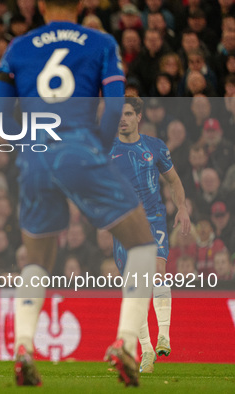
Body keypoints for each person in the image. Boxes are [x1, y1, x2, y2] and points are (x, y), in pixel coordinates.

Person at [0, 0, 159, 387]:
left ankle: (22, 345)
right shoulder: (100, 43)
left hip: (35, 155)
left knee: (37, 257)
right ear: (81, 4)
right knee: (142, 244)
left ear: (40, 5)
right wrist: (97, 147)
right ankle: (126, 343)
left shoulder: (18, 48)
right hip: (79, 147)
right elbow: (115, 105)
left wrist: (28, 148)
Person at [109, 95, 191, 374]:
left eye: (128, 114)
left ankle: (164, 334)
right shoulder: (107, 148)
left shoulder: (154, 147)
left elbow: (174, 180)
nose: (123, 119)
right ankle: (145, 352)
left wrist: (182, 208)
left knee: (157, 273)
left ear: (138, 117)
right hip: (123, 224)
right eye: (119, 114)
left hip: (154, 218)